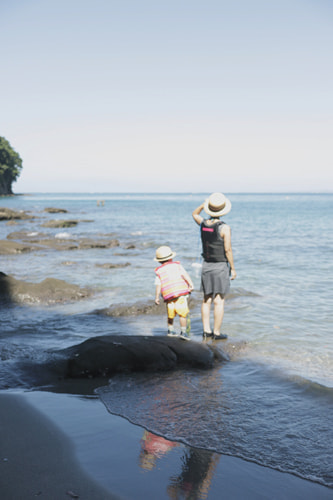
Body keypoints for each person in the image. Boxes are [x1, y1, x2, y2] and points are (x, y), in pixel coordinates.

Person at [192, 192, 236, 340]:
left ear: (210, 209)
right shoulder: (224, 228)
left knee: (206, 299)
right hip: (220, 266)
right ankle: (216, 333)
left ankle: (206, 331)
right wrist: (233, 269)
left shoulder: (203, 224)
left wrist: (204, 204)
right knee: (219, 300)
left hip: (206, 265)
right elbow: (228, 250)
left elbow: (194, 213)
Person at [154, 245, 194, 340]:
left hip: (169, 296)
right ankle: (183, 333)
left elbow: (158, 285)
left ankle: (170, 330)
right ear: (171, 257)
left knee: (170, 315)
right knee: (182, 314)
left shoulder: (159, 271)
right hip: (180, 294)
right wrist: (191, 284)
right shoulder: (177, 266)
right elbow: (185, 275)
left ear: (159, 261)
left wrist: (156, 297)